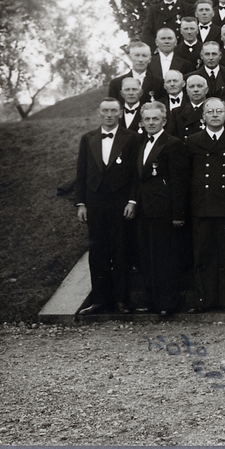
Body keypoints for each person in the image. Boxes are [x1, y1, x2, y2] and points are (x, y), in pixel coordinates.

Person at [74, 98, 138, 315]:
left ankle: (122, 300)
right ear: (99, 113)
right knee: (97, 251)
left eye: (113, 111)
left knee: (121, 250)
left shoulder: (131, 138)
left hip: (120, 203)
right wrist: (81, 203)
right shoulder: (88, 138)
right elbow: (81, 172)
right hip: (95, 203)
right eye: (105, 111)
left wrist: (132, 200)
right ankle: (100, 300)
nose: (109, 115)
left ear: (120, 113)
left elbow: (136, 174)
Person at [184, 97, 225, 312]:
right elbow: (187, 177)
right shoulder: (192, 141)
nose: (215, 115)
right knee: (203, 255)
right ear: (203, 117)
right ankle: (203, 299)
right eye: (210, 112)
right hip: (202, 206)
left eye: (219, 111)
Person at [133, 102, 189, 316]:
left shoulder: (173, 144)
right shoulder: (140, 143)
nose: (151, 122)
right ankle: (152, 301)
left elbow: (179, 181)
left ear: (164, 121)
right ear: (141, 122)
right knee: (146, 257)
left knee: (164, 257)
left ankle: (167, 302)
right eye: (147, 119)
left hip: (164, 210)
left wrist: (178, 214)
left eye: (155, 119)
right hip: (143, 210)